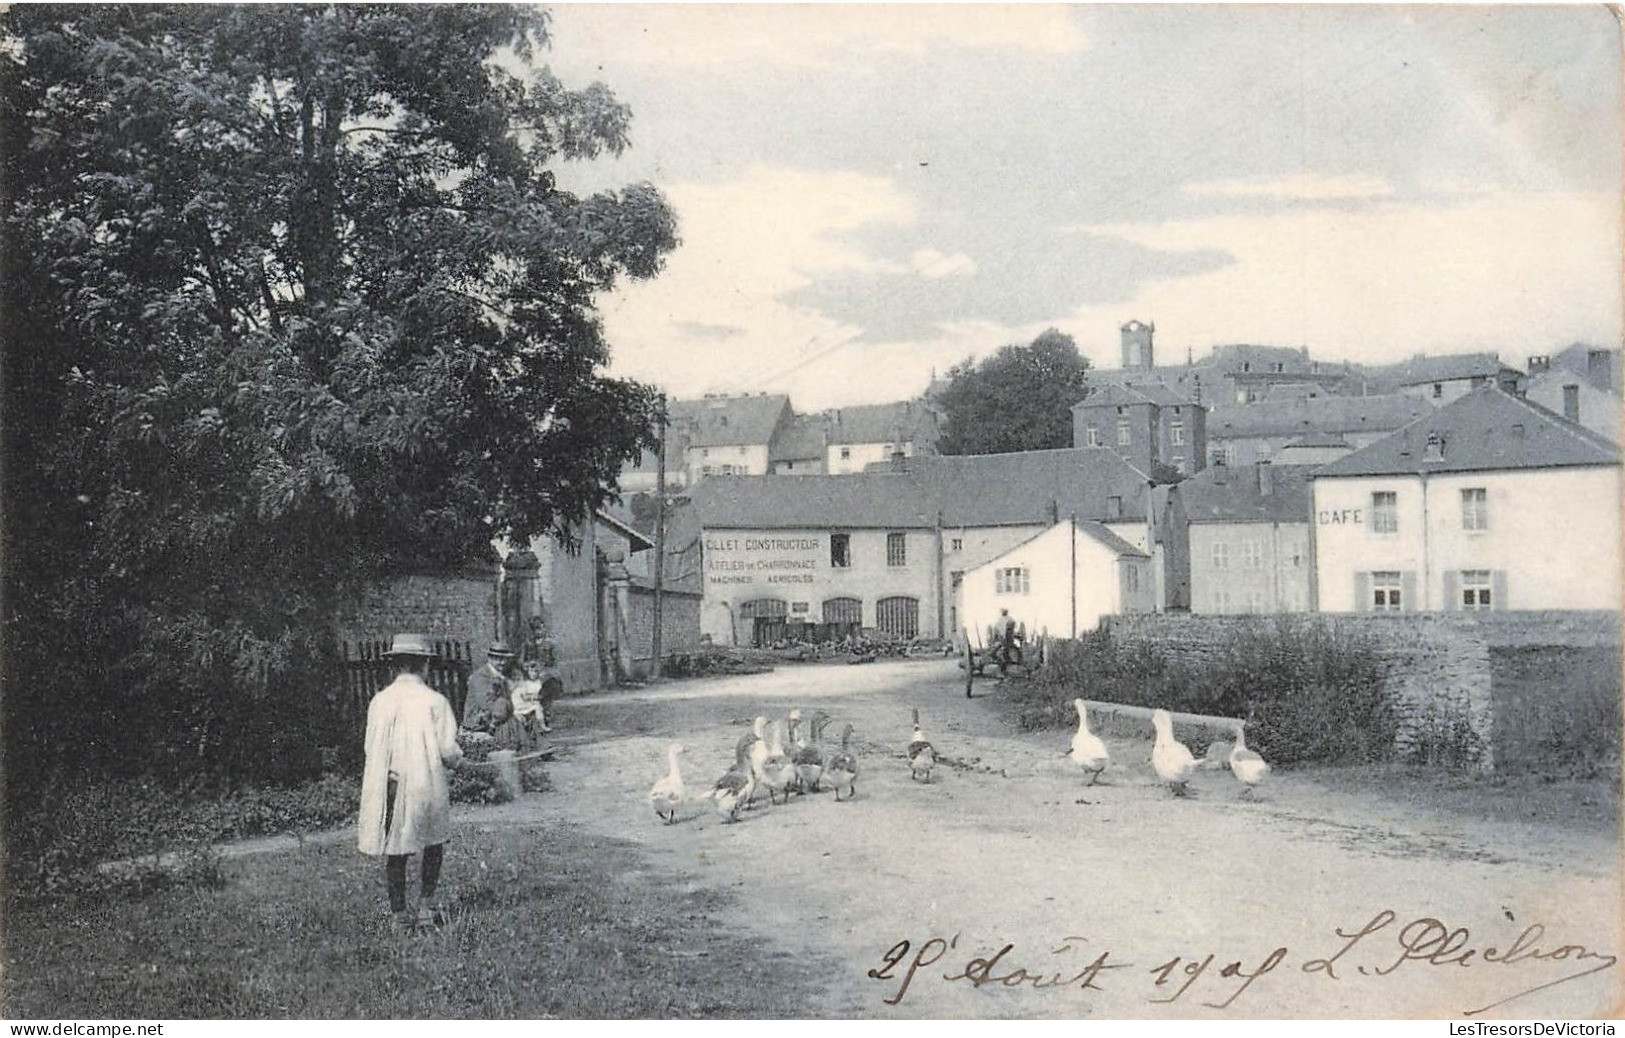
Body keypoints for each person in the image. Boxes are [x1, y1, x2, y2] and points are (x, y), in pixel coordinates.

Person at [358, 633, 463, 930]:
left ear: (395, 666)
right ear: (424, 665)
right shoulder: (435, 701)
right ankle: (427, 908)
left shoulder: (379, 701)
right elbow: (447, 749)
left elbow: (370, 747)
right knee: (433, 843)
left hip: (390, 784)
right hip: (425, 783)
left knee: (396, 849)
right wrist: (460, 760)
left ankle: (398, 916)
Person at [463, 640, 523, 748]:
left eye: (505, 659)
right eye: (498, 659)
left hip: (498, 719)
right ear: (490, 658)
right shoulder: (480, 677)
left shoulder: (500, 675)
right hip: (479, 726)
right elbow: (489, 705)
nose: (503, 663)